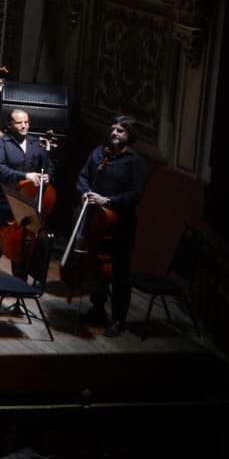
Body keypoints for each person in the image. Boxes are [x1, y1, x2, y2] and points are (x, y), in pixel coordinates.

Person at [76, 115, 150, 337]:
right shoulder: (100, 153)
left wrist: (107, 201)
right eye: (113, 129)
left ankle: (118, 319)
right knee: (95, 264)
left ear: (130, 136)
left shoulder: (136, 162)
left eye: (121, 131)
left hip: (120, 224)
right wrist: (85, 192)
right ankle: (97, 308)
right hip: (95, 219)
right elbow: (83, 176)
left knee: (119, 272)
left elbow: (135, 195)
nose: (115, 133)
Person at [0, 109, 55, 277]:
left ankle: (18, 283)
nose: (24, 126)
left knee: (23, 243)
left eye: (26, 122)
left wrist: (47, 176)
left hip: (24, 203)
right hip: (1, 202)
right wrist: (25, 175)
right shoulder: (1, 143)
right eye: (19, 123)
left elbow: (50, 165)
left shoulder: (36, 144)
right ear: (10, 124)